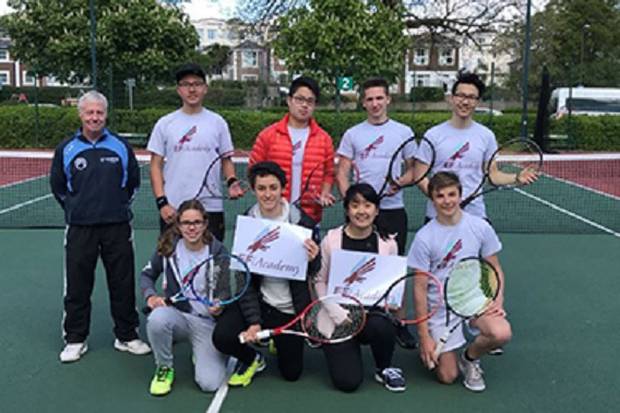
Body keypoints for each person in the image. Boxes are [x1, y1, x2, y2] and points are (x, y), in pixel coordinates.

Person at [50, 90, 150, 363]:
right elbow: (58, 187)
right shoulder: (67, 148)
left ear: (106, 115)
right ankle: (75, 339)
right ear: (80, 115)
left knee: (122, 282)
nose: (95, 117)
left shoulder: (120, 146)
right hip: (80, 228)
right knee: (78, 285)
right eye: (89, 112)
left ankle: (127, 335)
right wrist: (75, 210)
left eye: (99, 113)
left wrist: (116, 208)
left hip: (117, 226)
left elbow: (132, 184)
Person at [212, 161, 321, 387]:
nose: (268, 194)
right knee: (222, 337)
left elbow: (314, 271)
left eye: (273, 187)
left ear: (283, 189)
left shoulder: (304, 223)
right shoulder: (248, 223)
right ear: (254, 190)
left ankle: (274, 337)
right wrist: (253, 322)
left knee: (291, 373)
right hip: (259, 303)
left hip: (289, 308)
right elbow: (244, 280)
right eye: (261, 188)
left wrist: (314, 258)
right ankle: (253, 358)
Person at [407, 172, 512, 392]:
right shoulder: (425, 237)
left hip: (474, 299)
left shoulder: (480, 227)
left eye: (452, 194)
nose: (447, 201)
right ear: (432, 199)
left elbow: (495, 268)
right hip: (441, 308)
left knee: (501, 333)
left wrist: (497, 301)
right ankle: (438, 350)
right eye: (440, 196)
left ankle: (469, 358)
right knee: (447, 376)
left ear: (460, 195)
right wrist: (424, 336)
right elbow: (419, 288)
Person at [336, 77, 418, 349]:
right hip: (360, 213)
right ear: (363, 102)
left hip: (392, 211)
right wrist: (351, 201)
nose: (375, 104)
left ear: (388, 99)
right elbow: (342, 171)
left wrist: (400, 182)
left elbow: (413, 170)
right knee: (354, 268)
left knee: (394, 269)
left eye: (379, 98)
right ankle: (350, 320)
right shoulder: (352, 134)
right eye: (369, 99)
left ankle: (398, 324)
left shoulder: (404, 132)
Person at [314, 183, 406, 392]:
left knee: (383, 326)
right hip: (339, 317)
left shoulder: (388, 243)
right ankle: (342, 347)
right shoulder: (331, 240)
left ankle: (384, 367)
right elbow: (319, 281)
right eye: (355, 205)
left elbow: (393, 284)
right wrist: (335, 312)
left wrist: (392, 303)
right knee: (347, 382)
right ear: (347, 210)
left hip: (371, 316)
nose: (361, 211)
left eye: (367, 205)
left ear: (376, 210)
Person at [413, 72, 537, 221]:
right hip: (437, 217)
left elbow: (493, 175)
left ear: (477, 102)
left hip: (475, 216)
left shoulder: (487, 136)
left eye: (471, 98)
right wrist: (444, 200)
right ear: (452, 99)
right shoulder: (433, 135)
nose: (465, 102)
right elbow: (419, 176)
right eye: (460, 96)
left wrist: (516, 177)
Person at [140, 200, 229, 396]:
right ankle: (164, 368)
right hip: (178, 317)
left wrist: (219, 304)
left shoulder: (218, 251)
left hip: (207, 323)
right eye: (186, 222)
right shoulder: (168, 249)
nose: (191, 227)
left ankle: (205, 353)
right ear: (178, 225)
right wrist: (150, 297)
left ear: (205, 224)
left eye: (197, 222)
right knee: (157, 318)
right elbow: (146, 276)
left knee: (209, 384)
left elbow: (224, 290)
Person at [147, 63, 243, 241]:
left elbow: (226, 160)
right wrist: (162, 203)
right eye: (186, 84)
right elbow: (155, 166)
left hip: (210, 209)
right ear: (179, 90)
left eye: (197, 84)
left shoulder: (218, 122)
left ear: (205, 88)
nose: (192, 89)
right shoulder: (165, 124)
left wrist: (232, 182)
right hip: (174, 209)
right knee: (173, 265)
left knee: (213, 266)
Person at [249, 76, 335, 224]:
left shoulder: (324, 139)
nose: (304, 105)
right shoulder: (268, 135)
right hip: (273, 217)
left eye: (310, 101)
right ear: (289, 100)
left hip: (310, 217)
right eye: (299, 99)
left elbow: (329, 173)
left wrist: (325, 193)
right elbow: (253, 170)